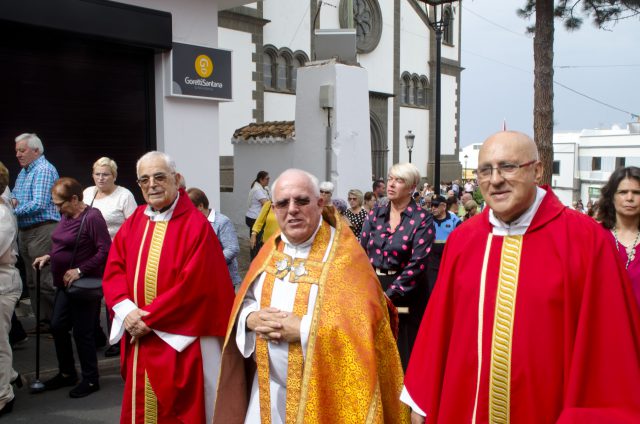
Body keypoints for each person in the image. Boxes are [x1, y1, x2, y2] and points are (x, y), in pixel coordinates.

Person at [403, 131, 640, 423]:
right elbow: (440, 324)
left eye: (508, 166)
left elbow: (607, 347)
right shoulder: (463, 240)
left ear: (537, 170)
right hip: (465, 407)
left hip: (548, 410)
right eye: (485, 170)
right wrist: (423, 397)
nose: (496, 179)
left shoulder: (586, 241)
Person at [213, 169, 409, 423]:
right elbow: (246, 300)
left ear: (319, 203)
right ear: (273, 209)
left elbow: (367, 329)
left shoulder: (346, 258)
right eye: (283, 203)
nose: (292, 209)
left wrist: (306, 330)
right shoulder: (269, 251)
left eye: (302, 201)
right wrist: (250, 318)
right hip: (266, 396)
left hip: (327, 400)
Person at [102, 151, 234, 423]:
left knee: (177, 411)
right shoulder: (135, 220)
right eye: (144, 179)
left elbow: (197, 285)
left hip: (178, 340)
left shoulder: (196, 226)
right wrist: (127, 311)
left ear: (176, 179)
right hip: (138, 333)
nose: (152, 184)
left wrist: (150, 318)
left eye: (160, 177)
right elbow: (114, 268)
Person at [33, 177, 111, 398]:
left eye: (60, 203)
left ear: (75, 198)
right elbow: (63, 244)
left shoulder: (93, 218)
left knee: (82, 333)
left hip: (83, 286)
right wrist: (49, 256)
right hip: (63, 285)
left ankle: (90, 379)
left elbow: (105, 251)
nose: (57, 208)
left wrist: (80, 270)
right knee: (57, 326)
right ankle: (67, 373)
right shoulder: (66, 215)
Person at [360, 163, 434, 369]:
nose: (391, 185)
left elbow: (417, 264)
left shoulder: (422, 219)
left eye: (399, 181)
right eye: (390, 179)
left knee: (404, 358)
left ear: (412, 187)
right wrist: (368, 288)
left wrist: (389, 295)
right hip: (374, 286)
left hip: (408, 293)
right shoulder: (376, 214)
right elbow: (361, 252)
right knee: (373, 356)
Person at [83, 157, 137, 358]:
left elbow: (134, 227)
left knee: (113, 298)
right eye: (97, 174)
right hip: (93, 254)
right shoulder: (88, 193)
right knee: (92, 294)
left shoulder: (124, 196)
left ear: (114, 176)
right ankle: (96, 334)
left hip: (117, 253)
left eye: (105, 174)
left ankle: (117, 339)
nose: (101, 178)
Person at [12, 133, 60, 330]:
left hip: (42, 229)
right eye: (16, 151)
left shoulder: (43, 169)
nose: (17, 154)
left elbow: (39, 203)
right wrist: (14, 202)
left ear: (36, 150)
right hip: (26, 230)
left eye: (22, 150)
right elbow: (14, 194)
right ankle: (42, 322)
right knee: (32, 281)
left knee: (45, 280)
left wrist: (12, 210)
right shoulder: (24, 171)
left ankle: (55, 322)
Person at [597, 166, 640, 307]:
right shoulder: (595, 236)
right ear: (611, 197)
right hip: (607, 324)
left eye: (636, 192)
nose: (629, 198)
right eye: (623, 192)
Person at [187, 187, 242, 290]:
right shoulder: (193, 222)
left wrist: (210, 263)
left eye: (190, 208)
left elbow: (232, 248)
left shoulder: (222, 221)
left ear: (200, 206)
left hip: (222, 277)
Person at [0, 162, 22, 416]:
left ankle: (4, 396)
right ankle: (12, 375)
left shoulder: (3, 215)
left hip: (4, 286)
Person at [246, 171, 270, 236]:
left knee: (255, 237)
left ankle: (253, 245)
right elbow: (266, 204)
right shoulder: (257, 190)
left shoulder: (264, 189)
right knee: (257, 239)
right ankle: (254, 246)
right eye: (267, 179)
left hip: (255, 217)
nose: (268, 181)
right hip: (254, 217)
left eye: (269, 179)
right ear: (261, 179)